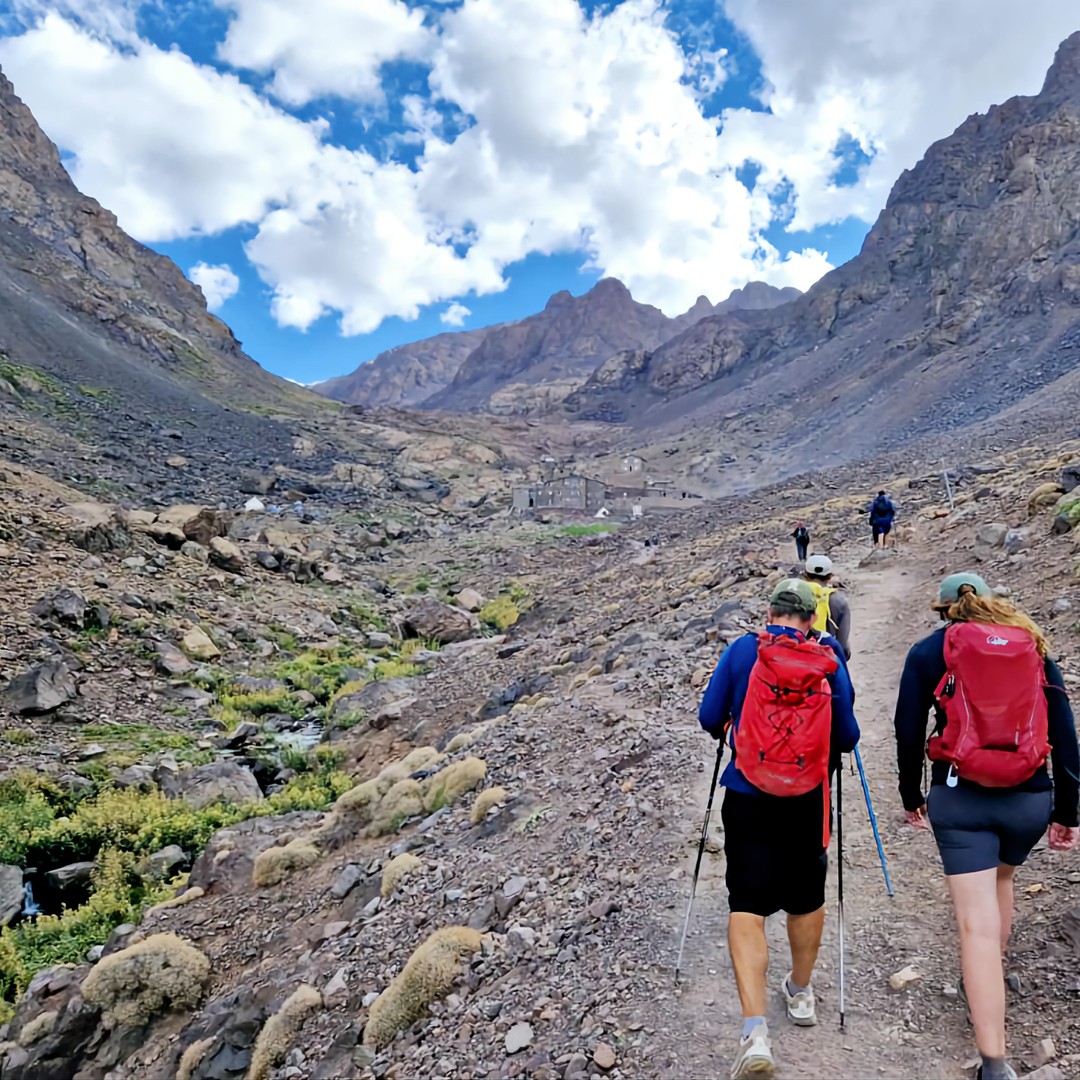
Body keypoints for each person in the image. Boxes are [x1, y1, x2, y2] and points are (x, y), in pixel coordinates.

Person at [894, 573, 1079, 1080]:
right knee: (1003, 878)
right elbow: (1063, 729)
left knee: (975, 925)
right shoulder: (1030, 644)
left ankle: (994, 1061)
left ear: (944, 609)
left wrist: (913, 797)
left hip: (962, 799)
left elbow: (907, 730)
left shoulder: (931, 652)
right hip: (1029, 799)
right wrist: (1068, 811)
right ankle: (991, 973)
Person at [700, 579, 860, 1080]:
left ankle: (754, 1031)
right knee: (805, 897)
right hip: (807, 800)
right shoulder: (828, 657)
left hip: (748, 795)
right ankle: (802, 991)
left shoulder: (743, 650)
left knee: (746, 906)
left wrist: (735, 731)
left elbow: (709, 715)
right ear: (812, 617)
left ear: (769, 612)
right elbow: (848, 734)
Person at [802, 554, 852, 661]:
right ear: (829, 576)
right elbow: (842, 643)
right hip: (826, 659)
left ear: (805, 575)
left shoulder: (793, 596)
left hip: (796, 659)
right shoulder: (839, 600)